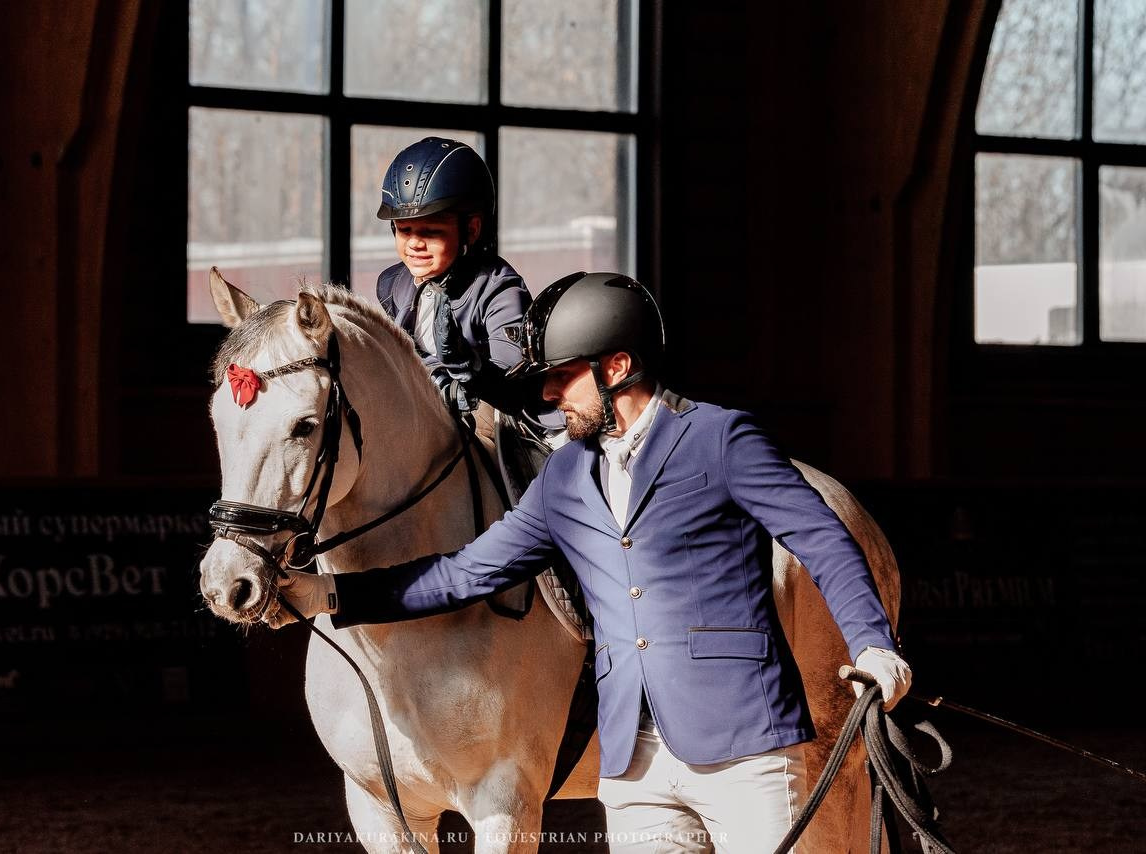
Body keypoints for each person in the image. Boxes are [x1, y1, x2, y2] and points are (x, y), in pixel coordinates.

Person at [281, 271, 913, 852]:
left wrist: (872, 643)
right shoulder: (566, 475)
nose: (550, 395)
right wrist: (332, 595)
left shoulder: (719, 439)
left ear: (618, 365)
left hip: (743, 748)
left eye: (564, 375)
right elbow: (466, 572)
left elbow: (822, 539)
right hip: (633, 766)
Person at [374, 136, 537, 420]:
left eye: (431, 231)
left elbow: (517, 389)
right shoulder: (391, 284)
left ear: (471, 230)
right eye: (404, 229)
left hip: (492, 421)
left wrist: (466, 365)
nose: (414, 244)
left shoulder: (500, 291)